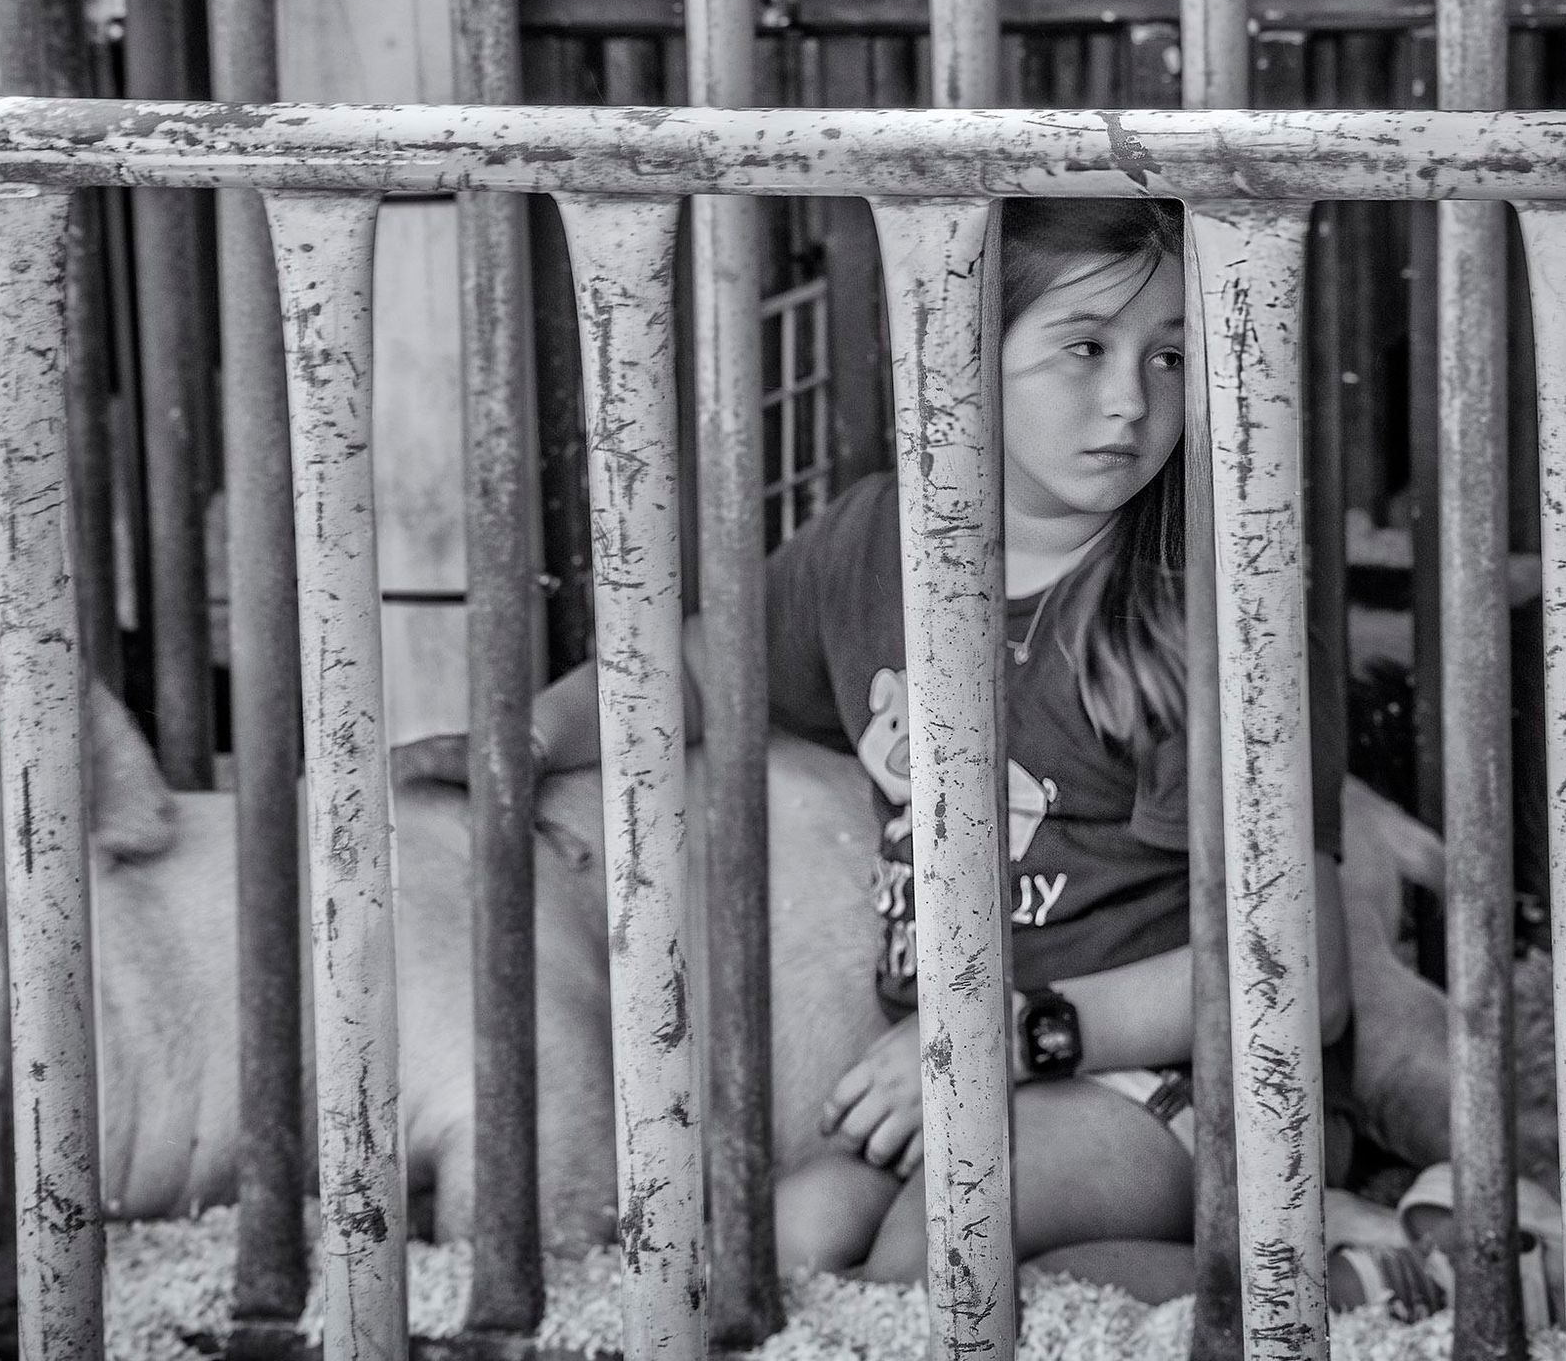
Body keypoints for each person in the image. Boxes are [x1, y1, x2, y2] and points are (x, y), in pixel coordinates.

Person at [498, 197, 1356, 1300]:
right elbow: (713, 665)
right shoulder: (872, 547)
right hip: (956, 1068)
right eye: (1083, 348)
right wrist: (527, 735)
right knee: (770, 1250)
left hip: (1175, 1083)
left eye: (1173, 358)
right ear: (964, 355)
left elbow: (1306, 976)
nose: (1130, 403)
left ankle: (1343, 1279)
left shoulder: (1200, 618)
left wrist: (1013, 1037)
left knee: (934, 1268)